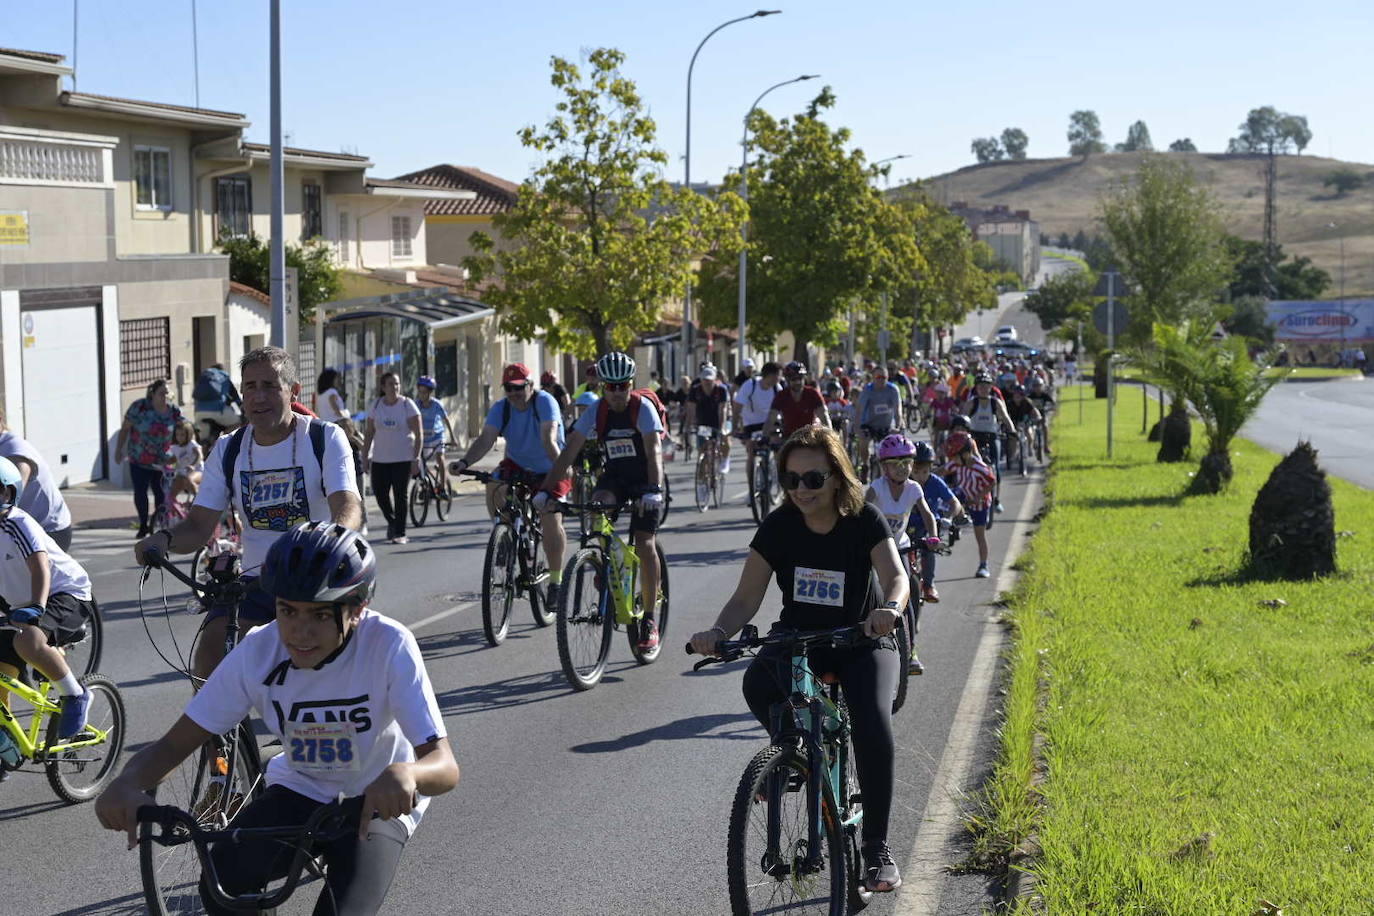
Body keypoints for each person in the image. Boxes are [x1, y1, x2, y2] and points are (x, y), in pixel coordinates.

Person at [97, 522, 458, 916]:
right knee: (222, 887)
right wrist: (128, 782)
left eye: (320, 615)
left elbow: (444, 765)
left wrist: (408, 775)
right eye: (287, 611)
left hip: (374, 800)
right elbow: (174, 744)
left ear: (356, 610)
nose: (300, 632)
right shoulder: (259, 651)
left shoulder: (389, 644)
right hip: (301, 788)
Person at [688, 425, 910, 893]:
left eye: (812, 479)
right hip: (799, 638)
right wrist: (717, 631)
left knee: (872, 721)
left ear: (835, 476)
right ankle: (793, 755)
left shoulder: (865, 519)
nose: (801, 490)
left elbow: (896, 577)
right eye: (790, 480)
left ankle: (876, 849)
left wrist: (889, 610)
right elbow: (745, 598)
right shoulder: (779, 526)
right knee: (758, 683)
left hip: (861, 637)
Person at [133, 346, 363, 679]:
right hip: (257, 582)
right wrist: (162, 539)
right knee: (210, 655)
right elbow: (198, 526)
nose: (258, 396)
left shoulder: (324, 438)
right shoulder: (230, 449)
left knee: (317, 676)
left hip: (316, 579)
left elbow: (347, 504)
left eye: (269, 385)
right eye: (250, 387)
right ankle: (222, 733)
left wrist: (332, 545)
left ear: (292, 391)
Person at [541, 351, 663, 650]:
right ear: (603, 387)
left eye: (623, 385)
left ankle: (649, 618)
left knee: (645, 543)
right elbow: (569, 452)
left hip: (646, 479)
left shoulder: (642, 408)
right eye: (611, 386)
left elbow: (654, 451)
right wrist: (546, 490)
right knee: (597, 506)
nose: (618, 392)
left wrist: (654, 489)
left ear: (631, 384)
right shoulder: (596, 411)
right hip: (616, 477)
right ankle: (607, 565)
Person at [452, 363, 570, 605]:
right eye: (509, 388)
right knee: (493, 483)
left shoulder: (545, 402)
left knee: (550, 517)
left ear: (531, 385)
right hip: (517, 464)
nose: (514, 393)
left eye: (519, 387)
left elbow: (549, 439)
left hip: (550, 466)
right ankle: (504, 533)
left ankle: (556, 582)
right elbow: (486, 439)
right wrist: (464, 462)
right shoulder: (501, 408)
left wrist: (561, 470)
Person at [0, 456, 95, 740]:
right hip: (18, 601)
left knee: (28, 639)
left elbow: (40, 567)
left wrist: (37, 608)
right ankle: (8, 748)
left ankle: (75, 695)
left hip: (63, 593)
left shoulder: (17, 523)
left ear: (9, 493)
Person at [865, 435, 940, 675]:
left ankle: (912, 649)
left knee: (910, 594)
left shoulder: (914, 488)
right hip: (876, 551)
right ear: (884, 466)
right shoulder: (877, 488)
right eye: (896, 463)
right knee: (868, 595)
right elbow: (860, 512)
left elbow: (927, 514)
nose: (903, 468)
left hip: (901, 548)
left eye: (907, 462)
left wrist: (933, 536)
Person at [116, 379, 184, 539]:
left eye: (167, 393)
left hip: (163, 462)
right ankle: (143, 525)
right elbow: (125, 429)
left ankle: (159, 524)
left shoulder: (173, 411)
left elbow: (184, 431)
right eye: (162, 393)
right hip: (139, 458)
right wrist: (119, 449)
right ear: (153, 394)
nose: (165, 396)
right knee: (140, 492)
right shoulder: (140, 407)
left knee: (161, 493)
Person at [0, 407, 74, 551]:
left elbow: (9, 501)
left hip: (49, 530)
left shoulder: (15, 450)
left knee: (31, 572)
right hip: (20, 528)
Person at [363, 373, 422, 545]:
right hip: (380, 459)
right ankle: (393, 522)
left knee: (400, 496)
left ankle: (400, 532)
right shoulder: (376, 405)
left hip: (403, 458)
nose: (394, 387)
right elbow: (369, 433)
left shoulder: (407, 405)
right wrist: (365, 456)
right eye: (390, 384)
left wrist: (416, 458)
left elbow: (419, 434)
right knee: (380, 494)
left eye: (396, 384)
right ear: (383, 387)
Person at [907, 442, 963, 604]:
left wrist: (949, 518)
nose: (920, 476)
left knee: (929, 549)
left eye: (925, 471)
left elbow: (955, 503)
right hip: (906, 526)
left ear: (931, 469)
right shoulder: (904, 484)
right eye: (916, 471)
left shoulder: (936, 482)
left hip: (927, 526)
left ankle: (929, 586)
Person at [943, 432, 996, 578]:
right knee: (948, 498)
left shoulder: (979, 467)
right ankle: (958, 518)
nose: (952, 460)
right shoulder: (957, 462)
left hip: (979, 502)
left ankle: (983, 565)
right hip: (964, 492)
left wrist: (978, 497)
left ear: (965, 454)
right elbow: (942, 470)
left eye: (954, 456)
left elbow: (992, 482)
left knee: (980, 535)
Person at [963, 373, 1015, 513]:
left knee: (996, 467)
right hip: (974, 437)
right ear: (976, 388)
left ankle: (996, 500)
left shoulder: (995, 402)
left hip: (992, 436)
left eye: (986, 386)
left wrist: (1012, 430)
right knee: (969, 465)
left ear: (991, 387)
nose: (983, 389)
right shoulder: (972, 402)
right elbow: (963, 418)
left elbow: (1005, 417)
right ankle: (966, 495)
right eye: (980, 386)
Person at [733, 361, 781, 494]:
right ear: (769, 376)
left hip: (770, 421)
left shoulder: (777, 388)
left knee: (778, 444)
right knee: (751, 451)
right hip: (751, 423)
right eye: (777, 376)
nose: (779, 379)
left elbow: (783, 409)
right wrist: (735, 426)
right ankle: (751, 487)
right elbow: (738, 407)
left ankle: (777, 473)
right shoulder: (750, 385)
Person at [767, 361, 830, 443]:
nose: (798, 382)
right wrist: (765, 436)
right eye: (793, 379)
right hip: (788, 438)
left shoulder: (813, 394)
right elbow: (771, 418)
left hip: (810, 438)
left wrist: (830, 437)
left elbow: (824, 416)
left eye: (800, 378)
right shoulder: (781, 396)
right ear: (787, 380)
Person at [415, 376, 457, 497]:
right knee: (419, 462)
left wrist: (452, 438)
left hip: (437, 437)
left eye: (425, 392)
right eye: (420, 392)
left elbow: (446, 420)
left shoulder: (436, 405)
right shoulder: (416, 404)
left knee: (440, 458)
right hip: (424, 439)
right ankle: (424, 486)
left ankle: (442, 488)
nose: (422, 395)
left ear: (430, 392)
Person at [855, 365, 904, 468]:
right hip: (868, 424)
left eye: (884, 377)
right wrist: (858, 428)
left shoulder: (893, 389)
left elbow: (898, 409)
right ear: (873, 377)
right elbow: (859, 410)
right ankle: (865, 465)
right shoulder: (868, 390)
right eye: (878, 377)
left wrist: (898, 426)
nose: (881, 380)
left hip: (886, 425)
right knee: (863, 443)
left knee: (892, 448)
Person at [688, 364, 731, 475]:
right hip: (703, 422)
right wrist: (691, 425)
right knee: (703, 451)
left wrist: (721, 428)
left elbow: (723, 410)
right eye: (704, 380)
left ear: (714, 380)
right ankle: (703, 481)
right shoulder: (695, 390)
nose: (707, 383)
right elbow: (691, 409)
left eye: (709, 380)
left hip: (719, 420)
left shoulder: (721, 390)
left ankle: (725, 460)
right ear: (701, 380)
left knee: (725, 438)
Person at [192, 363, 243, 444]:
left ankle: (205, 449)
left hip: (199, 413)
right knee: (238, 422)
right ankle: (224, 441)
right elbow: (236, 399)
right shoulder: (224, 377)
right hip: (218, 411)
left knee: (204, 441)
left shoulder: (204, 377)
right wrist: (240, 410)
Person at [167, 419, 204, 502]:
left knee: (189, 479)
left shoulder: (192, 444)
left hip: (197, 471)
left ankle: (199, 498)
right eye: (177, 435)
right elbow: (173, 460)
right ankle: (173, 510)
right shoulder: (175, 448)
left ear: (188, 435)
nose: (179, 437)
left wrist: (193, 465)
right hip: (182, 472)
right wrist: (164, 464)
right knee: (171, 494)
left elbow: (199, 455)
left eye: (182, 435)